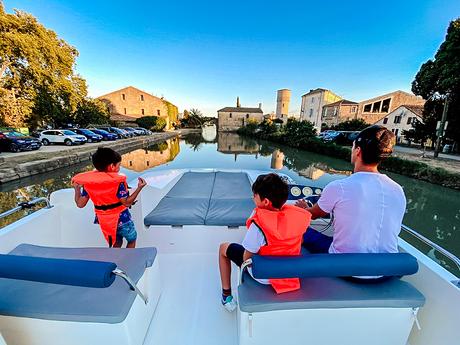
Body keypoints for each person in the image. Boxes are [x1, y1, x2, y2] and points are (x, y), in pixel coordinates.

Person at [296, 125, 406, 256]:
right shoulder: (398, 190)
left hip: (347, 268)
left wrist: (304, 208)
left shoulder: (339, 187)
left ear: (358, 151)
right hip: (387, 269)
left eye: (353, 146)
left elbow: (311, 215)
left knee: (302, 230)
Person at [218, 173, 311, 312]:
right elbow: (301, 241)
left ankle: (226, 295)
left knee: (223, 248)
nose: (252, 197)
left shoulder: (258, 226)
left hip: (264, 275)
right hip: (289, 271)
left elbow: (246, 259)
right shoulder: (297, 218)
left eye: (254, 195)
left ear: (266, 201)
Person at [72, 147, 146, 248]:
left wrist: (77, 189)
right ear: (112, 166)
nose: (119, 168)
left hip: (105, 221)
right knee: (132, 239)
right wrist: (139, 188)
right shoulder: (117, 182)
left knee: (116, 242)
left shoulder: (90, 183)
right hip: (122, 219)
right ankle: (129, 262)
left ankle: (115, 262)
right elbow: (127, 203)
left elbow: (80, 204)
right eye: (119, 165)